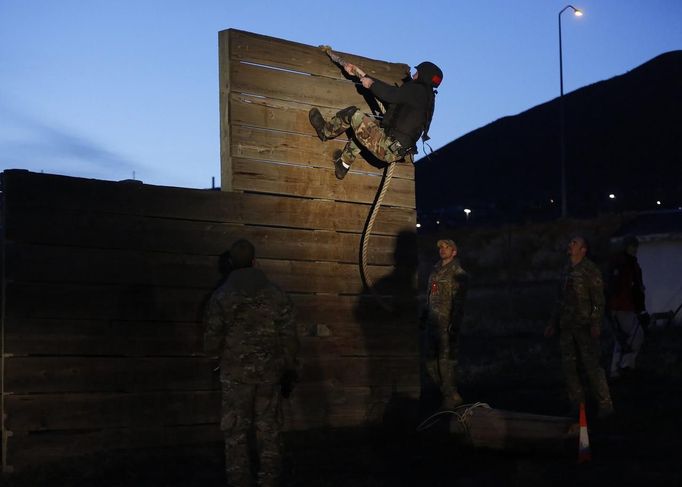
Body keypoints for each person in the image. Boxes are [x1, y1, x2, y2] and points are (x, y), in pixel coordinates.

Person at [204, 239, 299, 487]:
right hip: (269, 374)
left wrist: (216, 359)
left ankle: (239, 480)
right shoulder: (277, 295)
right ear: (256, 262)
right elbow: (289, 336)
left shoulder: (221, 296)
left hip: (235, 375)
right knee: (268, 428)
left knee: (235, 431)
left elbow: (212, 338)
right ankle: (269, 479)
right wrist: (289, 367)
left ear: (231, 264)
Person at [308, 60, 443, 180]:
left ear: (424, 75)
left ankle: (324, 131)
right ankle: (343, 164)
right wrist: (362, 75)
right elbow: (394, 96)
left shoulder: (417, 90)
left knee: (352, 114)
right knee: (366, 128)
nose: (413, 75)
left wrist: (371, 84)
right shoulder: (427, 99)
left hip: (386, 146)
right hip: (394, 150)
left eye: (417, 72)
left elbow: (390, 94)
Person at [545, 235, 614, 418]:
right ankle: (577, 404)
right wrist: (553, 322)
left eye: (574, 243)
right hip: (567, 325)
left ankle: (604, 404)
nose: (570, 245)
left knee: (591, 365)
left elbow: (599, 299)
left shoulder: (590, 270)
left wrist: (595, 322)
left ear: (583, 249)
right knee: (569, 367)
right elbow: (559, 299)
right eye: (570, 242)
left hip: (584, 325)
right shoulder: (565, 270)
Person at [421, 239, 468, 410]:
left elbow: (460, 303)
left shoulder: (459, 274)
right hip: (432, 323)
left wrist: (454, 324)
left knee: (445, 362)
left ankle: (449, 397)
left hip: (446, 325)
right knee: (429, 362)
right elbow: (429, 297)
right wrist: (423, 318)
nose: (442, 250)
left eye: (447, 247)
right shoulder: (434, 272)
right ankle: (450, 393)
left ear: (454, 252)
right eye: (440, 247)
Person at [606, 235, 649, 380]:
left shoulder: (630, 264)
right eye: (632, 246)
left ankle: (617, 369)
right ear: (627, 247)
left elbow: (636, 287)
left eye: (635, 246)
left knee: (623, 338)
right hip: (621, 306)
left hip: (625, 306)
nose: (635, 249)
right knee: (634, 336)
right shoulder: (623, 264)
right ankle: (624, 366)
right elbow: (616, 286)